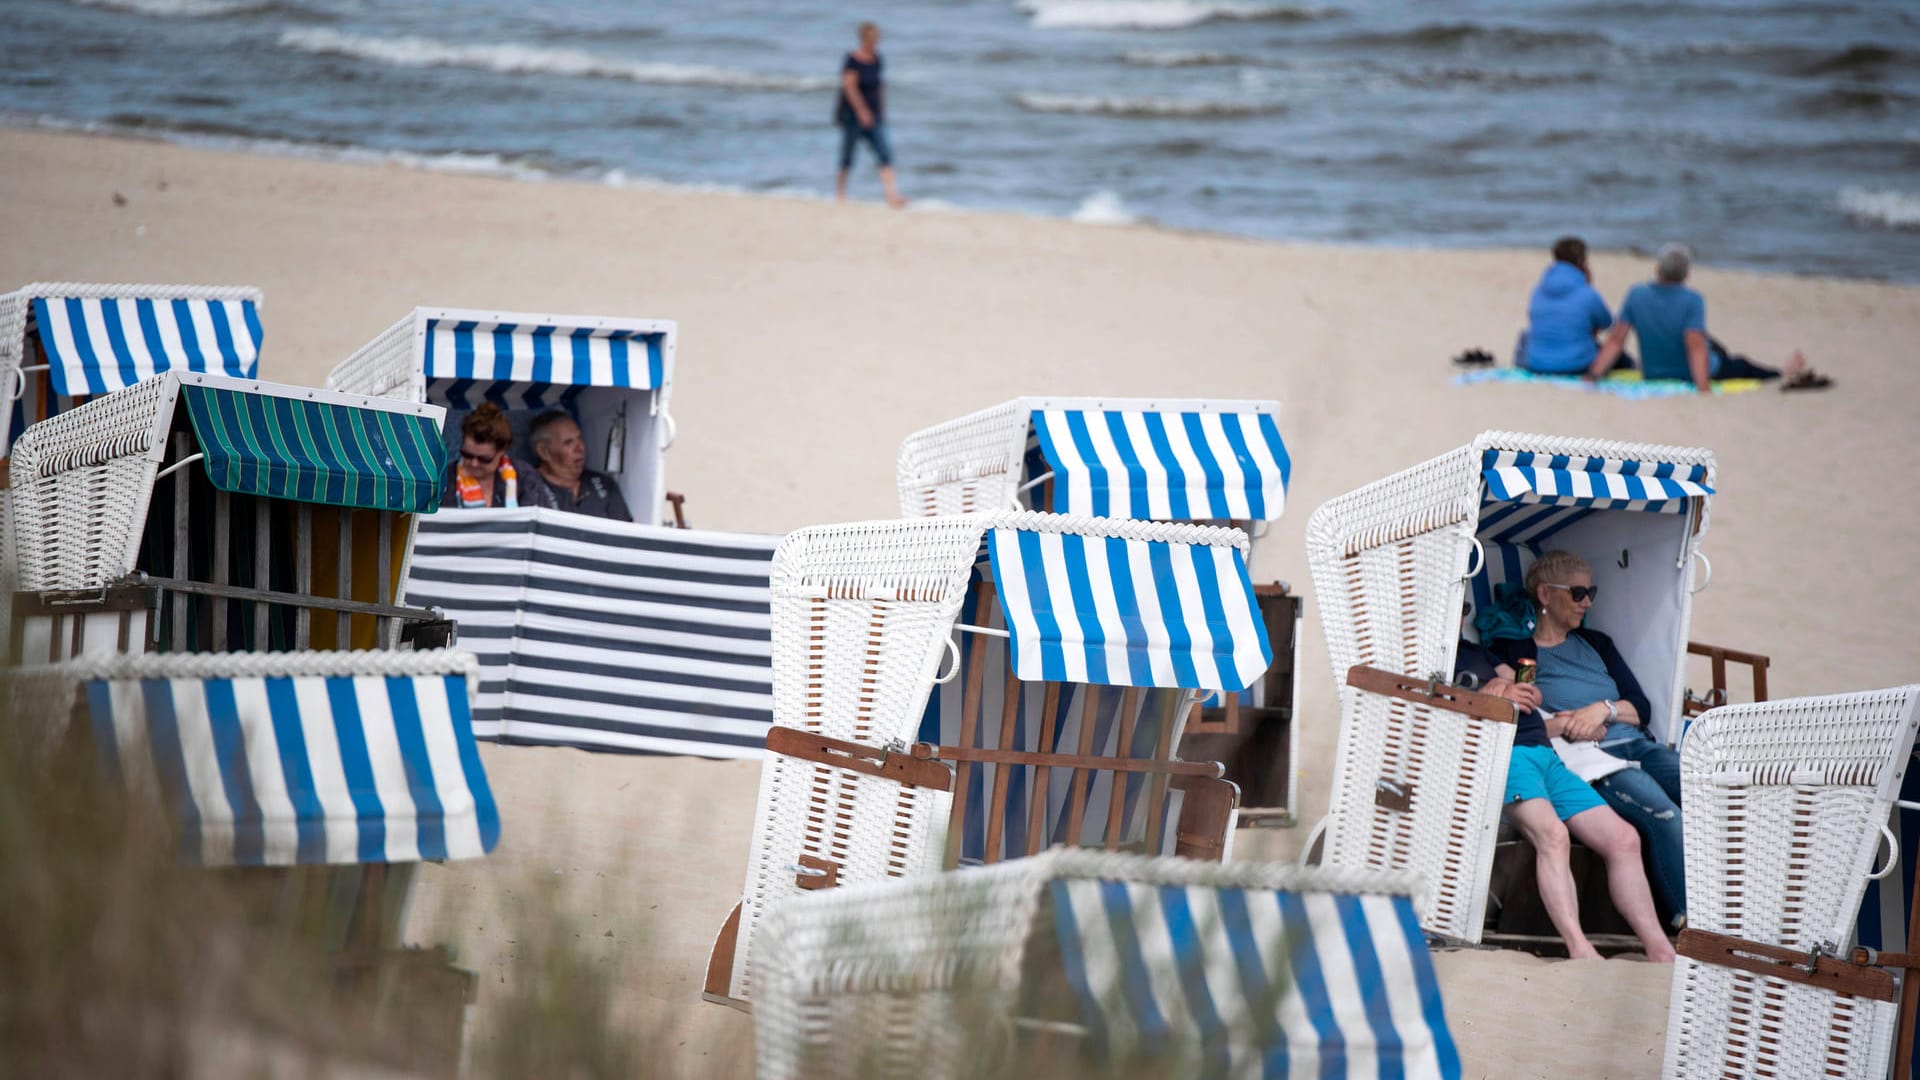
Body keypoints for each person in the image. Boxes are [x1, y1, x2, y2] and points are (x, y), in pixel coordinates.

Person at [1457, 627, 1676, 962]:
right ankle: (1579, 948)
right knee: (1554, 835)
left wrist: (1516, 689)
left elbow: (1526, 689)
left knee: (1624, 839)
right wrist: (1491, 694)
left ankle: (1661, 949)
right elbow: (1436, 702)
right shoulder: (1431, 654)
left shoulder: (1476, 651)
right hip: (1505, 753)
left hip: (1545, 753)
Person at [1492, 550, 1686, 925]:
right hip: (1593, 755)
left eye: (1591, 592)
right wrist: (1567, 725)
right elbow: (1523, 715)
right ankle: (1689, 920)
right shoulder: (1518, 652)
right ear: (1546, 595)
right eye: (1579, 593)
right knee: (1666, 815)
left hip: (1636, 742)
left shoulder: (1597, 643)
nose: (1587, 602)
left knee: (1705, 793)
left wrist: (1603, 709)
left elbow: (1641, 707)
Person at [1587, 243, 1831, 392]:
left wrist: (1594, 375)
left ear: (1657, 269)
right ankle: (1782, 373)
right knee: (1740, 363)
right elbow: (1695, 347)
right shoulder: (1692, 300)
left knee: (1713, 344)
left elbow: (1616, 341)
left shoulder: (1636, 294)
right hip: (1687, 372)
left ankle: (1778, 369)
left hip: (1654, 371)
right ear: (1686, 274)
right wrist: (1703, 388)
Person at [1519, 236, 1623, 375]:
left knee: (1526, 336)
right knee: (1620, 356)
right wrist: (1588, 285)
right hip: (1577, 364)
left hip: (1537, 363)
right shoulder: (1587, 293)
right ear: (1582, 262)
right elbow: (1608, 323)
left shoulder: (1538, 290)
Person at [834, 21, 905, 208]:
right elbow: (849, 86)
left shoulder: (878, 58)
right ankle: (840, 195)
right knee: (847, 155)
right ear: (864, 38)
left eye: (878, 38)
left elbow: (879, 86)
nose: (876, 41)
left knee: (884, 154)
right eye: (873, 38)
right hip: (853, 115)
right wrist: (861, 111)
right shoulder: (852, 59)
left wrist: (881, 111)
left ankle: (892, 196)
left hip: (875, 116)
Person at [442, 403, 555, 510]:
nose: (474, 463)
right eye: (467, 455)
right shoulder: (445, 478)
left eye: (484, 459)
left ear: (502, 450)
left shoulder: (524, 477)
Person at [528, 409, 633, 521]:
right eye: (568, 442)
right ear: (543, 451)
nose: (580, 448)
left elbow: (626, 533)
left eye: (580, 439)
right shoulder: (528, 488)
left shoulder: (604, 484)